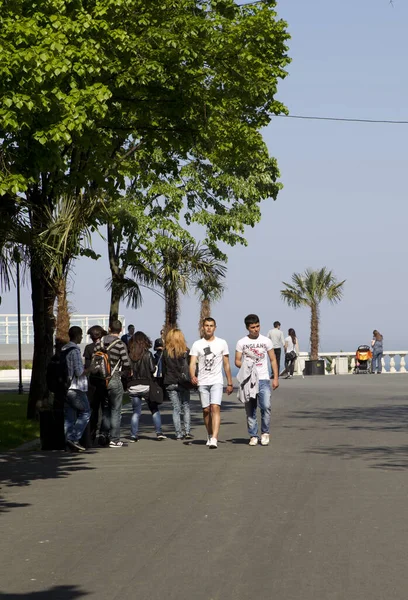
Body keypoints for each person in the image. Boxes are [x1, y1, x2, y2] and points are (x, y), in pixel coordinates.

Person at [189, 317, 233, 449]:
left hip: (217, 381)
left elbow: (226, 364)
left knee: (215, 407)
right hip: (203, 381)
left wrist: (229, 382)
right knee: (206, 410)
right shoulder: (197, 344)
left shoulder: (222, 343)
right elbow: (192, 363)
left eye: (211, 325)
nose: (209, 328)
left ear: (215, 327)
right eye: (207, 325)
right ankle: (209, 434)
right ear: (203, 327)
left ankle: (214, 437)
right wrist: (192, 375)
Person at [235, 314, 279, 447]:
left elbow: (272, 359)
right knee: (250, 409)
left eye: (258, 326)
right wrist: (245, 364)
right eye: (253, 327)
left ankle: (265, 433)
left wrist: (275, 378)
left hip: (264, 378)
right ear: (247, 328)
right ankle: (253, 435)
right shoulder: (241, 342)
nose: (256, 329)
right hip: (248, 380)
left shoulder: (266, 341)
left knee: (266, 406)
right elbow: (237, 361)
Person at [93, 320, 131, 448]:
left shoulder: (100, 342)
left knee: (105, 409)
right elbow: (127, 363)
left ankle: (103, 435)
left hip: (101, 380)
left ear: (109, 328)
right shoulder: (120, 344)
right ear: (120, 330)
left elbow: (95, 356)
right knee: (115, 410)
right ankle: (115, 439)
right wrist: (122, 375)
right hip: (114, 378)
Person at [127, 331, 167, 441]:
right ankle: (159, 432)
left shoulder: (130, 355)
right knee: (154, 409)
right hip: (146, 385)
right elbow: (152, 369)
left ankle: (133, 435)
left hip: (133, 386)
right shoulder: (147, 354)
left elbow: (127, 370)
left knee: (136, 412)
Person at [62, 326, 91, 452]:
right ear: (78, 335)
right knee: (86, 412)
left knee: (69, 416)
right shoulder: (75, 350)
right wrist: (91, 369)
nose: (82, 337)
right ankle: (73, 438)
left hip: (66, 386)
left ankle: (68, 441)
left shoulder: (64, 349)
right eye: (81, 335)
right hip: (76, 387)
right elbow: (79, 372)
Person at [162, 328, 193, 440]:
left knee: (176, 408)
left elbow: (164, 369)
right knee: (186, 406)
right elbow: (190, 367)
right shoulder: (186, 351)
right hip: (183, 382)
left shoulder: (166, 352)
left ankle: (178, 433)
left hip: (170, 381)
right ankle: (187, 431)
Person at [83, 325, 107, 443]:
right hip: (105, 380)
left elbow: (87, 366)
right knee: (105, 408)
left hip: (93, 382)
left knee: (94, 409)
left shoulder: (88, 348)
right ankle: (103, 433)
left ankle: (92, 433)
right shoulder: (106, 347)